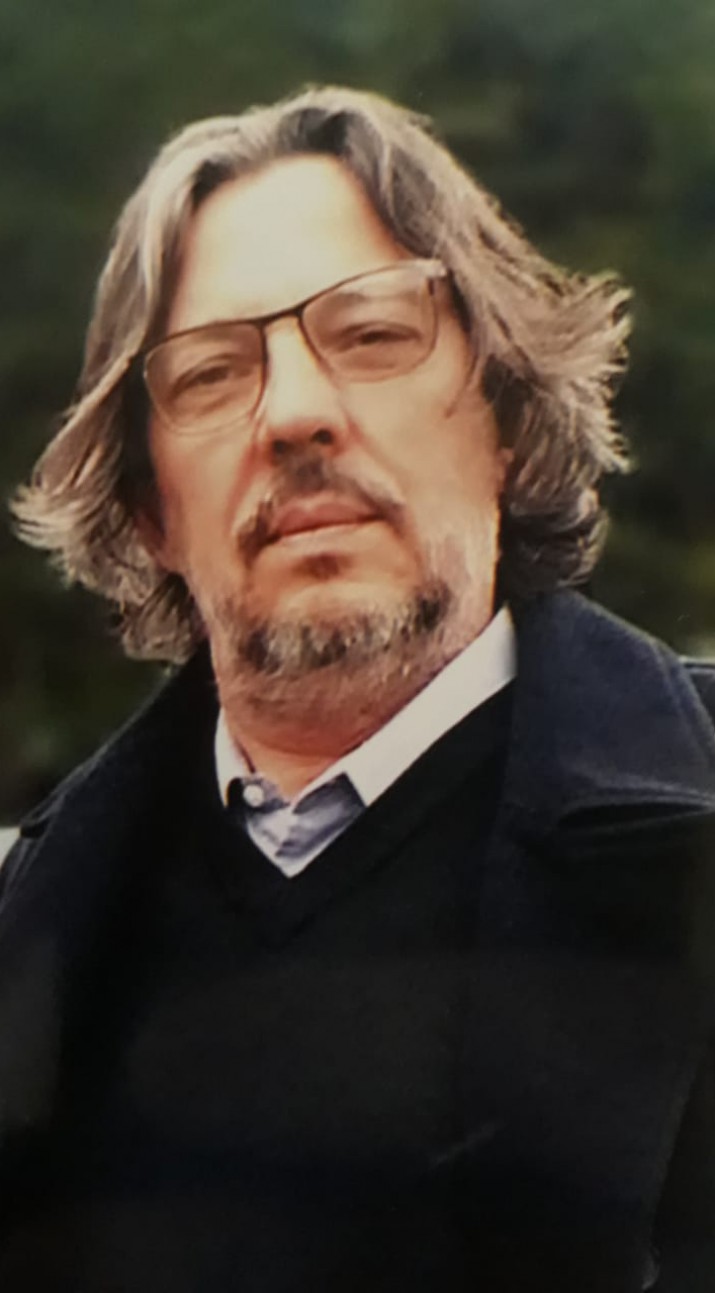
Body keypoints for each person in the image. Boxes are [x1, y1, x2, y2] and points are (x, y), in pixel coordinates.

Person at [1, 85, 714, 1293]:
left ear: (504, 418)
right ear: (147, 508)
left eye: (373, 335)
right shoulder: (42, 937)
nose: (294, 414)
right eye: (211, 374)